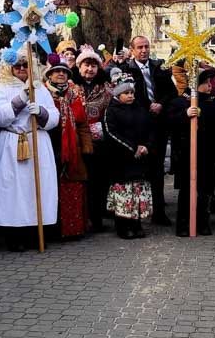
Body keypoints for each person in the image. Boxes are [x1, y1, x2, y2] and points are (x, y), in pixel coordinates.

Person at [0, 47, 60, 251]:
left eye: (25, 65)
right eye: (17, 65)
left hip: (37, 140)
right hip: (11, 143)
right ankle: (15, 234)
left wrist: (42, 112)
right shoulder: (1, 87)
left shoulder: (40, 88)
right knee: (13, 190)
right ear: (9, 67)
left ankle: (35, 232)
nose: (21, 68)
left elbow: (55, 117)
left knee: (36, 188)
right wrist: (20, 100)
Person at [119, 36, 175, 225]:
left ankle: (159, 212)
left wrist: (160, 104)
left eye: (146, 47)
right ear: (132, 50)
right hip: (139, 126)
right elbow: (124, 95)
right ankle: (136, 214)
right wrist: (145, 107)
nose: (144, 50)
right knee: (138, 172)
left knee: (157, 171)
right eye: (139, 47)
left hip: (158, 125)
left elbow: (171, 92)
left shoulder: (159, 67)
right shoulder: (126, 70)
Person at [166, 68, 215, 237]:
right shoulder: (181, 102)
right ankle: (183, 223)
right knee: (187, 190)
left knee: (206, 189)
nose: (209, 86)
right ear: (195, 85)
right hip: (187, 154)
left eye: (210, 83)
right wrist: (184, 115)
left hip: (209, 154)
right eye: (205, 83)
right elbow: (170, 122)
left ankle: (202, 221)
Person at [44, 54, 93, 240]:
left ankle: (73, 229)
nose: (60, 74)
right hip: (51, 144)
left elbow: (83, 123)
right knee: (52, 186)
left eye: (64, 71)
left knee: (73, 185)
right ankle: (53, 229)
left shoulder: (74, 94)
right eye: (56, 71)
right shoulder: (43, 93)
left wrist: (86, 145)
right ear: (49, 74)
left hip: (73, 148)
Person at [103, 70, 154, 239]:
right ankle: (123, 225)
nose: (130, 96)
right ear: (118, 94)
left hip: (139, 160)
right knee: (124, 194)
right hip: (121, 160)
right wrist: (133, 148)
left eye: (132, 92)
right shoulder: (111, 111)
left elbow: (149, 128)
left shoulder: (140, 109)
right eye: (126, 93)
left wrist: (145, 145)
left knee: (137, 194)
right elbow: (112, 133)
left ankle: (136, 223)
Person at [73, 45, 114, 232]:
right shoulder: (71, 87)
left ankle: (97, 218)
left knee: (98, 181)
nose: (89, 69)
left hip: (99, 142)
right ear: (79, 66)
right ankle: (80, 219)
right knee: (81, 181)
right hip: (76, 140)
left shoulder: (105, 89)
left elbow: (111, 111)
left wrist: (102, 126)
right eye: (86, 65)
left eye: (93, 66)